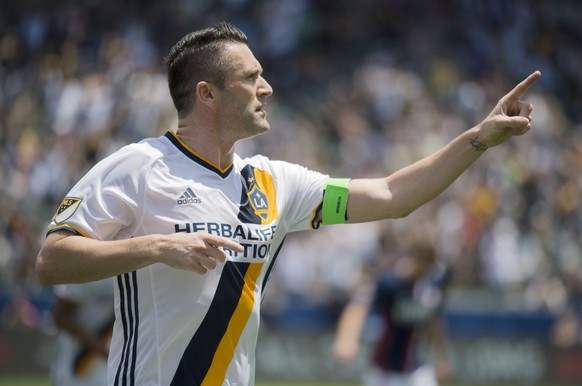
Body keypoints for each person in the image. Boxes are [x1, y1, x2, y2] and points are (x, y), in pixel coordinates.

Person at [34, 21, 540, 386]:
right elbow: (51, 260)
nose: (267, 87)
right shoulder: (137, 166)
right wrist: (155, 246)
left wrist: (477, 138)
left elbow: (391, 195)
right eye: (251, 78)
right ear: (207, 95)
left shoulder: (276, 183)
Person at [333, 239, 450, 386]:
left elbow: (433, 323)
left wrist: (441, 358)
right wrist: (347, 338)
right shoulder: (390, 284)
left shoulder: (431, 288)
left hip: (415, 369)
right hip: (384, 370)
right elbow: (359, 305)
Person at [50, 278, 114, 386]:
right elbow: (60, 315)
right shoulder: (83, 264)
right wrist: (100, 346)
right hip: (77, 361)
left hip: (113, 357)